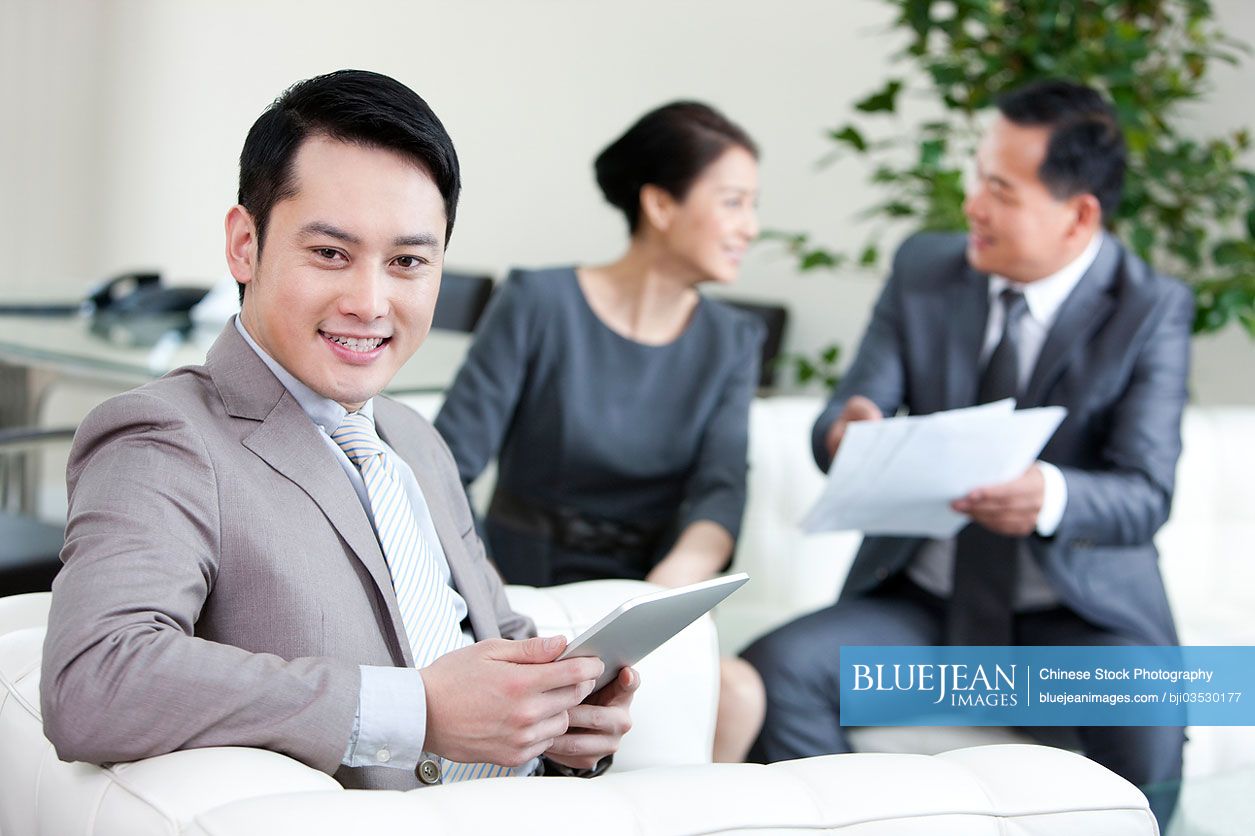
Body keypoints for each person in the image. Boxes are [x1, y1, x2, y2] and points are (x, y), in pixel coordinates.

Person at [40, 69, 635, 791]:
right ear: (244, 245)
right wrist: (413, 710)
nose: (370, 302)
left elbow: (490, 636)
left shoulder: (413, 437)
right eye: (330, 253)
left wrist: (557, 722)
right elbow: (96, 679)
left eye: (408, 262)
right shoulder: (164, 438)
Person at [741, 80, 1191, 824]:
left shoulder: (1149, 308)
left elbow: (1145, 493)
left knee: (1150, 718)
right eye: (977, 175)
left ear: (1078, 216)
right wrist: (843, 430)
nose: (971, 205)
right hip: (921, 609)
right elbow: (846, 411)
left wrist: (1048, 495)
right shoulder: (925, 268)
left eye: (1000, 190)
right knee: (779, 669)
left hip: (1072, 623)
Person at [434, 101, 766, 762]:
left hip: (648, 601)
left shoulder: (732, 340)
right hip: (519, 593)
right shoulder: (537, 303)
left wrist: (654, 604)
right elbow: (446, 463)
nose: (749, 229)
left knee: (739, 694)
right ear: (660, 206)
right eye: (732, 203)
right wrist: (489, 593)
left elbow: (719, 495)